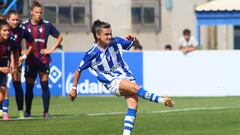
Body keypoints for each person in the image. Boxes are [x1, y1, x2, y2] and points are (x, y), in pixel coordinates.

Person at [69, 20, 174, 135]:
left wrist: (133, 40)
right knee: (135, 88)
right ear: (98, 35)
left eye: (110, 33)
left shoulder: (116, 41)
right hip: (112, 81)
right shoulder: (92, 53)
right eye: (106, 34)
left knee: (133, 104)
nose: (109, 36)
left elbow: (131, 44)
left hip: (126, 75)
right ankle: (162, 100)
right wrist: (74, 88)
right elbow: (79, 69)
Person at [22, 0, 63, 118]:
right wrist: (21, 51)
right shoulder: (25, 25)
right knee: (29, 87)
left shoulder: (47, 25)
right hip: (30, 60)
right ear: (32, 12)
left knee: (45, 85)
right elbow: (17, 38)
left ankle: (46, 112)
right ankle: (27, 112)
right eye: (36, 12)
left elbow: (60, 37)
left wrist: (50, 49)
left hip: (43, 60)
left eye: (40, 12)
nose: (39, 14)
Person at [6, 10, 35, 119]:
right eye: (13, 20)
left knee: (17, 85)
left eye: (17, 19)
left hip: (16, 59)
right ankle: (3, 111)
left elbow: (32, 42)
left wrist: (24, 56)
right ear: (8, 20)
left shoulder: (22, 30)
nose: (15, 22)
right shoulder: (3, 28)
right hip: (2, 59)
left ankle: (20, 112)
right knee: (2, 85)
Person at [0, 19, 15, 121]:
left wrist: (13, 62)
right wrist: (1, 68)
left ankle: (4, 112)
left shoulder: (10, 41)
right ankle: (4, 113)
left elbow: (11, 52)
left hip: (3, 71)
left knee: (1, 97)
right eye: (4, 30)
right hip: (1, 69)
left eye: (8, 30)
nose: (7, 33)